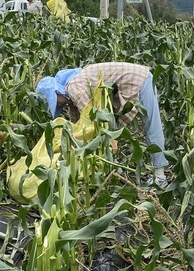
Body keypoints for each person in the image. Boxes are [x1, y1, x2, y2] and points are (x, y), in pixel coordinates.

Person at [35, 62, 169, 183]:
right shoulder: (71, 94)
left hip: (139, 80)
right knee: (108, 131)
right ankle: (115, 170)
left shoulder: (73, 88)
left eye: (56, 102)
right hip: (132, 81)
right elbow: (79, 127)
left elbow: (95, 120)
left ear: (57, 92)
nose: (59, 105)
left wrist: (110, 140)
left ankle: (160, 176)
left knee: (151, 125)